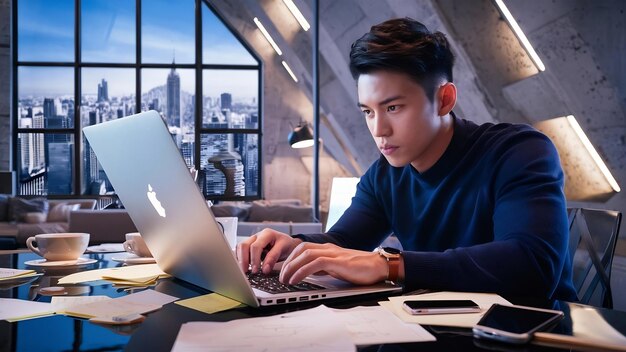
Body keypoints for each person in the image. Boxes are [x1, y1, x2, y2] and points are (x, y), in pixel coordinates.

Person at [237, 18, 576, 301]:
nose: (379, 129)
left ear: (444, 99)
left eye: (393, 107)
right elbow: (343, 243)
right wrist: (291, 247)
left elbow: (532, 268)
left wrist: (390, 265)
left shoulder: (519, 151)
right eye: (368, 111)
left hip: (537, 331)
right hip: (438, 329)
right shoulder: (384, 176)